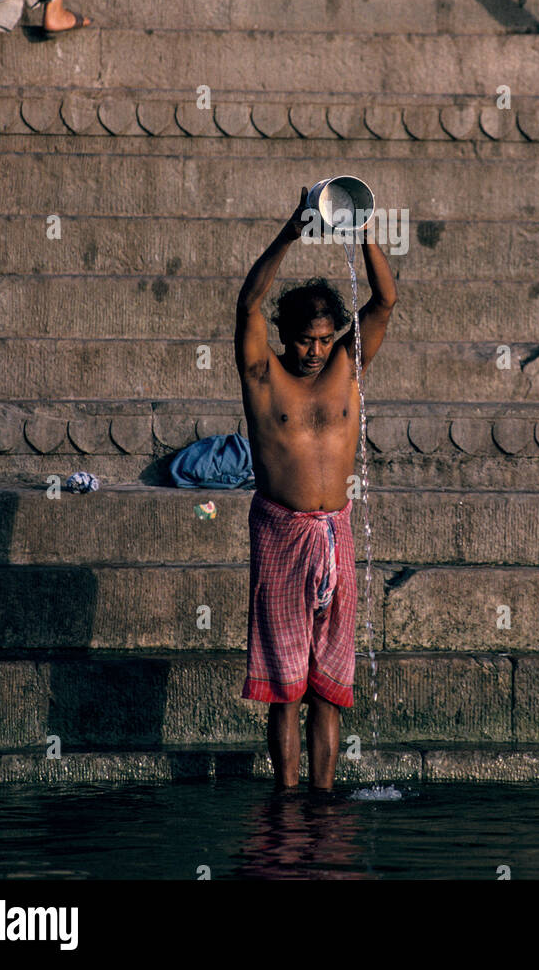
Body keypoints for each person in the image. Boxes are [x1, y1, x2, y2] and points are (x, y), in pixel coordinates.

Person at [235, 187, 397, 792]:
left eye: (325, 339)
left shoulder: (347, 367)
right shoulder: (262, 374)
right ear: (285, 334)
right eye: (305, 338)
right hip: (281, 535)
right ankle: (285, 800)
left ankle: (323, 805)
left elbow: (385, 299)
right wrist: (290, 231)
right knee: (285, 689)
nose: (314, 350)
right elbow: (248, 304)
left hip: (338, 534)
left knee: (328, 689)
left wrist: (364, 228)